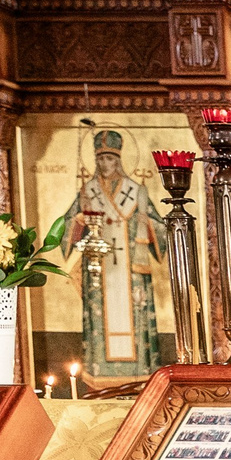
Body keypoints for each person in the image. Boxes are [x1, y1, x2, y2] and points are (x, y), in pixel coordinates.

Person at [54, 129, 168, 376]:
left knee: (134, 313)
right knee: (102, 317)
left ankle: (140, 373)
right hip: (99, 269)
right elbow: (65, 226)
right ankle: (101, 372)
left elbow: (161, 227)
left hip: (131, 269)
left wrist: (144, 224)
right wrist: (78, 221)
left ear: (118, 160)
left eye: (110, 159)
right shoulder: (88, 191)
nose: (105, 164)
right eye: (101, 159)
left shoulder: (136, 190)